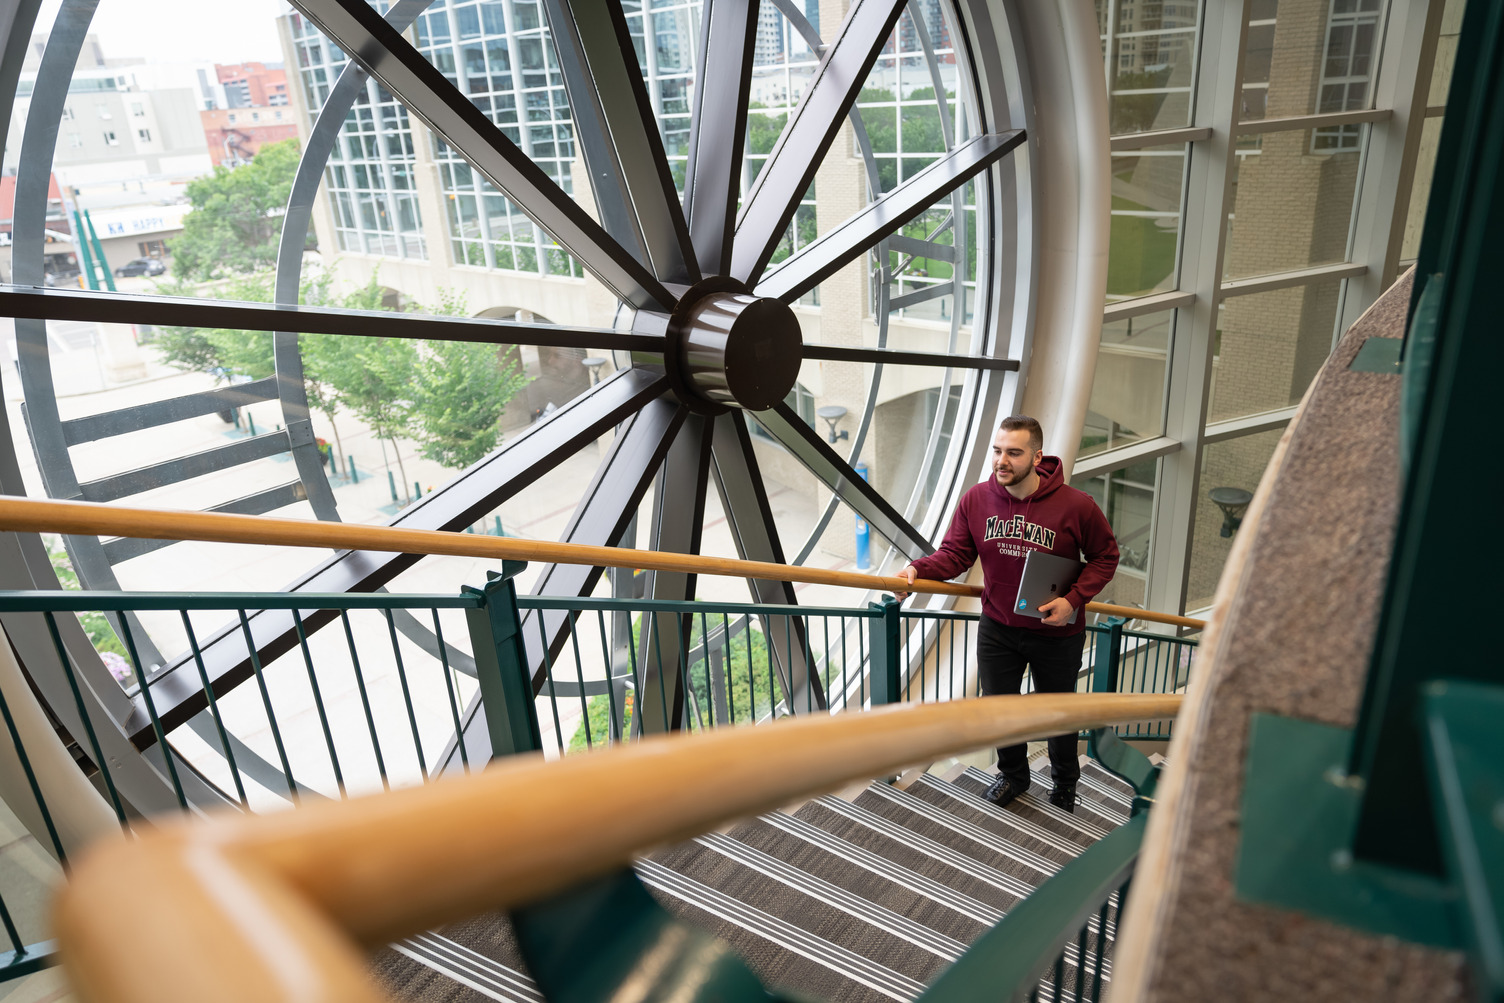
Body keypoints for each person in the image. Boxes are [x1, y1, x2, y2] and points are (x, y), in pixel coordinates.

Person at [896, 415, 1119, 814]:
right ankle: (1014, 776)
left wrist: (1073, 599)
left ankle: (1065, 784)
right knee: (1001, 709)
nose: (1002, 461)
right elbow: (955, 555)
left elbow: (1105, 557)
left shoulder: (1077, 506)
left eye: (1013, 453)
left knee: (1057, 713)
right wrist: (917, 569)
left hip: (1057, 633)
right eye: (997, 451)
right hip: (998, 626)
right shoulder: (976, 500)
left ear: (1037, 457)